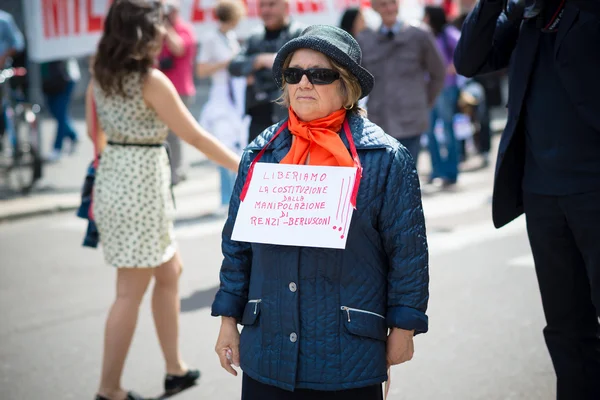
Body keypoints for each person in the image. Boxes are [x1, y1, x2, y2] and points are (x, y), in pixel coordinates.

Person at [212, 25, 429, 399]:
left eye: (321, 74)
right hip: (268, 354)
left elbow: (407, 253)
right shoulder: (261, 153)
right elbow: (238, 248)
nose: (304, 83)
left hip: (348, 358)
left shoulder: (386, 158)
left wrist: (404, 327)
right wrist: (228, 320)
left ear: (347, 87)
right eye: (294, 74)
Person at [88, 1, 240, 399]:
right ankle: (108, 389)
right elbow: (194, 136)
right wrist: (244, 165)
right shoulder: (150, 80)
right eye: (162, 24)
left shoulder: (100, 72)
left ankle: (175, 369)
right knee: (129, 291)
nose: (167, 33)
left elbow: (94, 132)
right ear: (145, 31)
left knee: (169, 271)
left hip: (116, 175)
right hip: (142, 184)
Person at [454, 1, 600, 398]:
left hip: (592, 184)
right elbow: (469, 60)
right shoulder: (523, 14)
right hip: (543, 191)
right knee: (566, 328)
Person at [357, 0, 445, 165]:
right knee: (382, 178)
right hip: (379, 122)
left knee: (408, 175)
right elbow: (358, 79)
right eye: (383, 4)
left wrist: (425, 102)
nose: (389, 8)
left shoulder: (419, 34)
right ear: (375, 8)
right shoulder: (365, 39)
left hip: (411, 119)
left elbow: (438, 73)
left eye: (392, 3)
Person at [228, 0, 304, 145]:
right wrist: (260, 60)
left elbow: (303, 69)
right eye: (261, 5)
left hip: (291, 117)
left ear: (286, 7)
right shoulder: (254, 37)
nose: (266, 10)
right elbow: (234, 66)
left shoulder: (299, 33)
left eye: (271, 4)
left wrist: (272, 65)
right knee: (256, 164)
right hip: (259, 116)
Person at [197, 0, 247, 210]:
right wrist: (226, 64)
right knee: (223, 145)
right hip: (220, 97)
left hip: (236, 96)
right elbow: (201, 70)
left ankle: (237, 195)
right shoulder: (210, 39)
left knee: (238, 145)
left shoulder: (231, 37)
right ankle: (225, 198)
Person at [158, 0, 197, 185]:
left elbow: (178, 48)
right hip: (161, 90)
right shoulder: (157, 31)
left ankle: (178, 171)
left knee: (176, 132)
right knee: (164, 133)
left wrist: (166, 29)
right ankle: (171, 169)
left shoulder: (184, 30)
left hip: (181, 90)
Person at [422, 6, 461, 186]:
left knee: (447, 128)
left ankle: (451, 171)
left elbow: (462, 51)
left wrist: (450, 69)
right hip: (429, 88)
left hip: (445, 88)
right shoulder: (427, 35)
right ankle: (437, 170)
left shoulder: (448, 33)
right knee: (430, 131)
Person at [41, 58, 81, 162]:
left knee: (61, 115)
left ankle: (57, 148)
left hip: (65, 78)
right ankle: (73, 135)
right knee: (55, 112)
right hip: (48, 80)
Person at [0, 10, 25, 139]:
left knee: (6, 103)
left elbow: (18, 43)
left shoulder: (4, 20)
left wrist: (4, 57)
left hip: (3, 70)